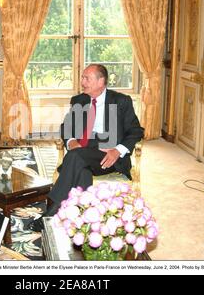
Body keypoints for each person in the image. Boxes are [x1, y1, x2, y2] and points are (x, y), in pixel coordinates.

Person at [28, 64, 144, 232]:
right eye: (82, 77)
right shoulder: (79, 100)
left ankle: (51, 212)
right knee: (81, 171)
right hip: (83, 150)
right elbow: (66, 127)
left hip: (107, 154)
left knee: (74, 157)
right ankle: (80, 219)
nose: (82, 81)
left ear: (100, 81)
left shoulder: (121, 101)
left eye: (86, 78)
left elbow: (136, 131)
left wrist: (117, 150)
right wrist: (71, 141)